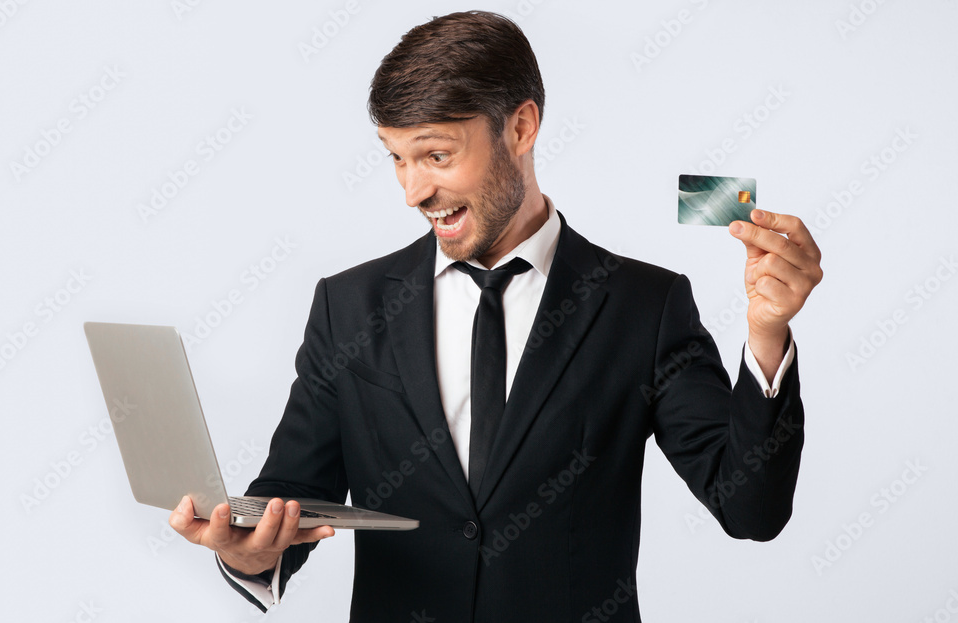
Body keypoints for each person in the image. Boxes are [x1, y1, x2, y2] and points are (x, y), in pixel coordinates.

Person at [170, 10, 823, 622]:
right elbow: (291, 491)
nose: (413, 191)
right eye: (396, 157)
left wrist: (767, 336)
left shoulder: (644, 307)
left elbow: (750, 507)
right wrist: (248, 552)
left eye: (436, 155)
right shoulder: (347, 307)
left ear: (520, 128)